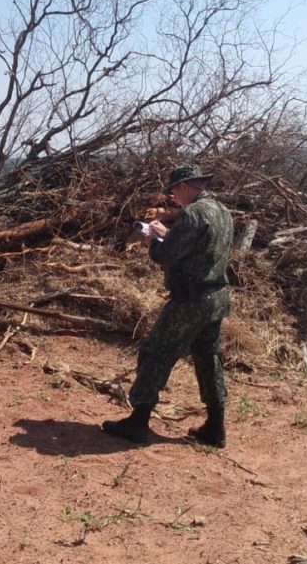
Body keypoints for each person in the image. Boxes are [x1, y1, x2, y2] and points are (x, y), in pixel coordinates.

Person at [102, 165, 234, 447]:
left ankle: (138, 421)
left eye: (174, 190)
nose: (173, 196)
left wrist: (152, 239)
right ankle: (215, 425)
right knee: (208, 358)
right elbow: (201, 248)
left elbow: (166, 255)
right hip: (216, 298)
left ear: (185, 186)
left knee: (155, 352)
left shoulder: (193, 213)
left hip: (190, 300)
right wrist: (169, 233)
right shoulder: (222, 211)